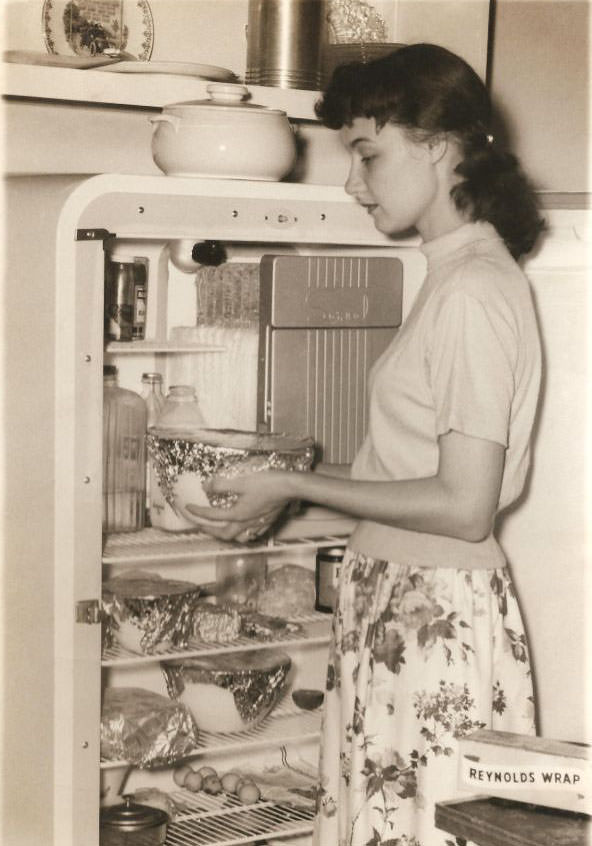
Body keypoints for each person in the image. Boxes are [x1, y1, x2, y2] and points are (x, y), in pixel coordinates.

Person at [187, 43, 545, 846]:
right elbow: (414, 476)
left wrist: (293, 488)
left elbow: (463, 505)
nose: (353, 182)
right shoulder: (454, 278)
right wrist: (278, 478)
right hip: (401, 605)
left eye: (368, 155)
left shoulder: (475, 292)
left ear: (441, 145)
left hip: (432, 616)